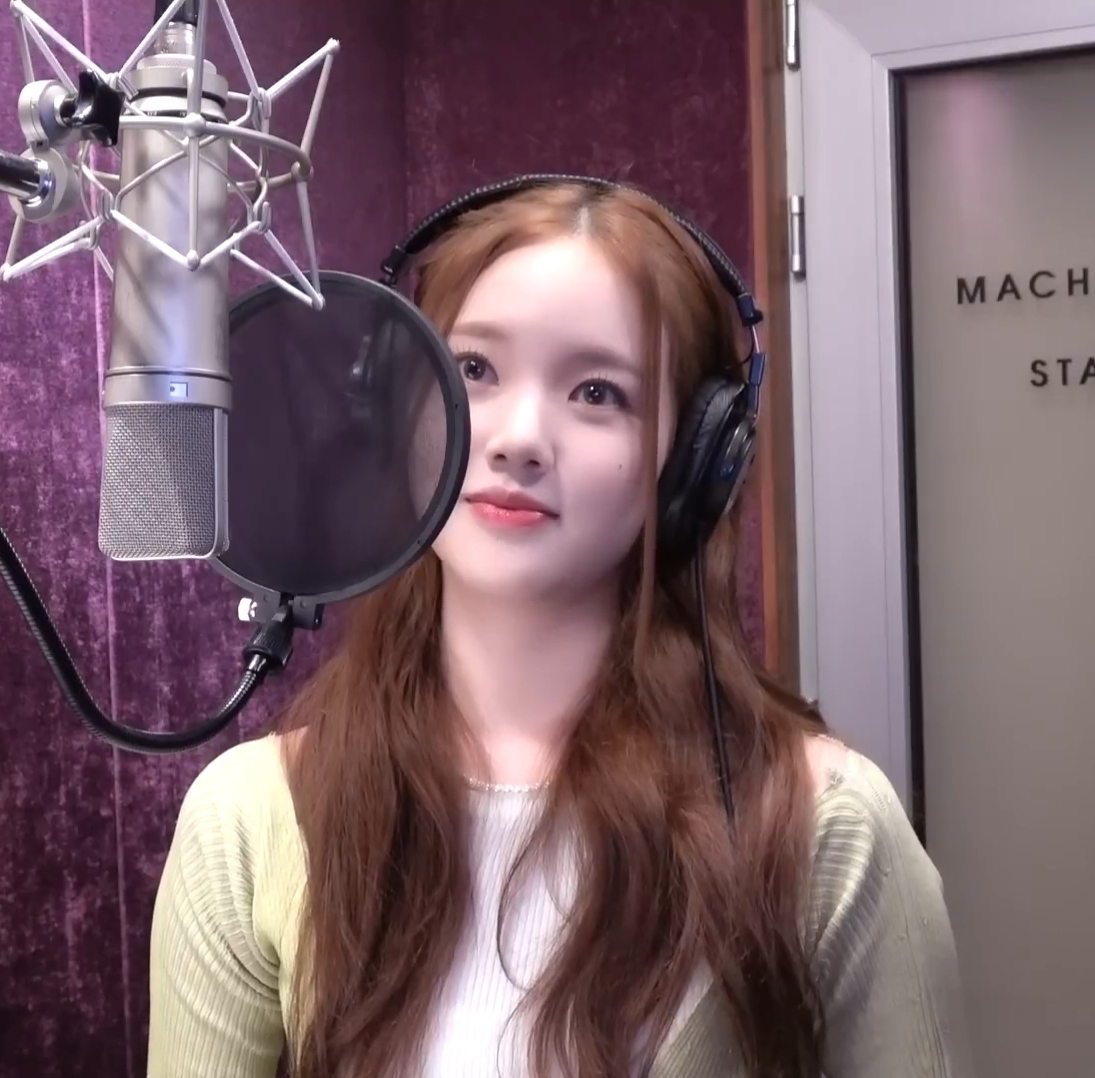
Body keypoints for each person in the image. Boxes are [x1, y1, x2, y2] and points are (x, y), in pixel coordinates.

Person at [146, 178, 975, 1078]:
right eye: (473, 370)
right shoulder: (249, 821)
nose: (519, 438)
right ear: (393, 408)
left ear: (693, 459)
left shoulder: (826, 826)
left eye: (596, 391)